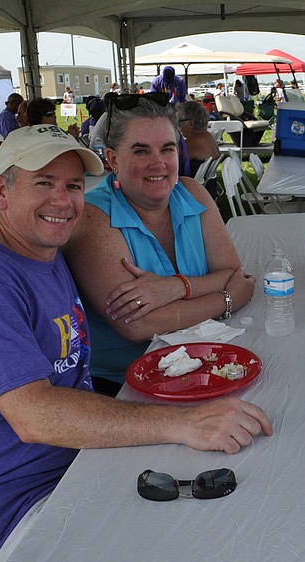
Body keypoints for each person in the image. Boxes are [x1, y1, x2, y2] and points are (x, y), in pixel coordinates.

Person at [0, 124, 273, 558]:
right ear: (1, 191)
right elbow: (35, 417)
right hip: (13, 509)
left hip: (81, 462)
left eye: (73, 185)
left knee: (247, 502)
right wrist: (182, 423)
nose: (63, 201)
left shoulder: (43, 255)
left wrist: (173, 288)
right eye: (43, 183)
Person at [63, 93, 255, 392]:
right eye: (141, 152)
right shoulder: (93, 218)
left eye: (167, 149)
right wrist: (227, 299)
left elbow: (233, 272)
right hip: (123, 386)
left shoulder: (192, 192)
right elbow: (138, 326)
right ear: (113, 159)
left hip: (203, 363)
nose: (159, 164)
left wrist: (175, 288)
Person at [177, 100, 220, 199]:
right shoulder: (208, 136)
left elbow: (170, 157)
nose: (179, 127)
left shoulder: (195, 142)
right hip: (207, 191)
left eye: (180, 123)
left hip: (193, 195)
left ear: (191, 124)